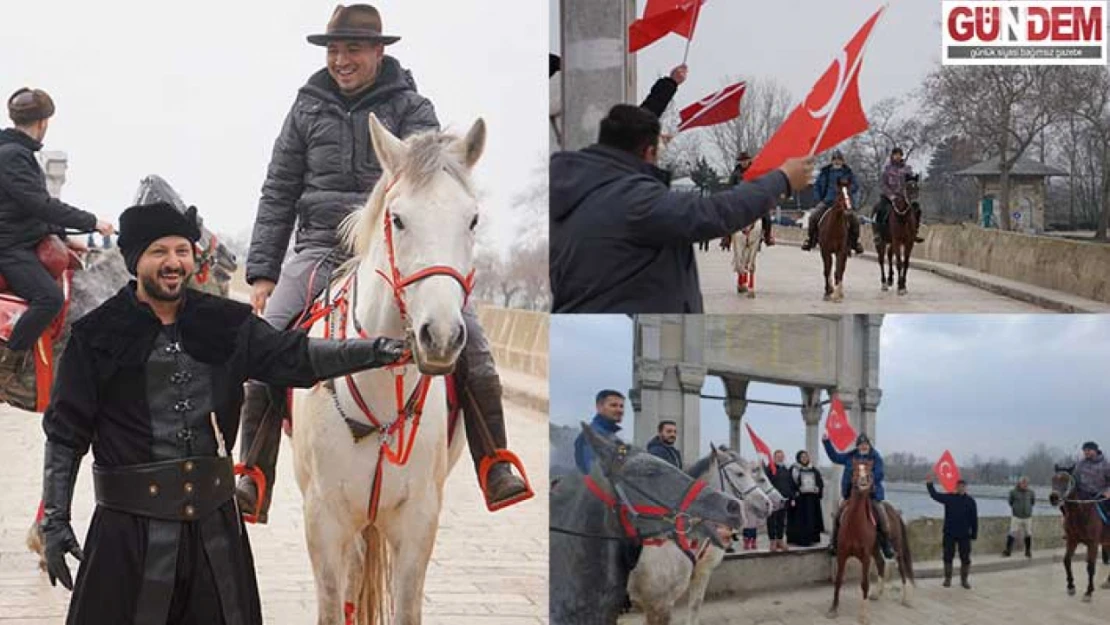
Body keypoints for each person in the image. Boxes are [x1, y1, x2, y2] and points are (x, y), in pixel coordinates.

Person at [39, 202, 408, 624]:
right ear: (135, 259)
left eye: (182, 250)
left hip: (213, 537)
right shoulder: (95, 336)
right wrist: (55, 519)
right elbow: (66, 435)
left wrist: (374, 351)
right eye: (159, 252)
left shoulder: (227, 323)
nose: (173, 262)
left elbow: (295, 356)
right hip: (128, 537)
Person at [240, 4, 527, 521]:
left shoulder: (413, 107)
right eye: (333, 50)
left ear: (379, 51)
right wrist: (262, 271)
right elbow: (279, 189)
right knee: (266, 347)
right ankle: (253, 473)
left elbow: (435, 187)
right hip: (322, 248)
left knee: (475, 349)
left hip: (395, 246)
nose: (340, 60)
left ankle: (495, 462)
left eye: (352, 49)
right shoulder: (304, 109)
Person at [549, 103, 813, 313]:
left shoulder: (578, 188)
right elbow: (712, 212)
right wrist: (782, 180)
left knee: (763, 221)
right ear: (649, 152)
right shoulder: (634, 198)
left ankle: (767, 233)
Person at [0, 88, 114, 355]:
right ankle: (10, 358)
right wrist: (93, 222)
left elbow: (31, 210)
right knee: (49, 298)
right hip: (10, 246)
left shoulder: (15, 152)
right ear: (43, 123)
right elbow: (41, 205)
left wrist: (64, 237)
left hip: (22, 237)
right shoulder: (13, 156)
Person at [822, 432, 895, 559]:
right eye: (861, 444)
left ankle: (886, 544)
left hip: (871, 494)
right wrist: (827, 442)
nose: (863, 446)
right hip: (852, 495)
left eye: (865, 444)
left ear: (869, 445)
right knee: (838, 514)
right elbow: (835, 457)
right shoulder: (850, 456)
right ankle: (834, 543)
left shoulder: (876, 457)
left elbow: (880, 474)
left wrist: (868, 480)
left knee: (881, 513)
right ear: (857, 446)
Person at [801, 149, 863, 254]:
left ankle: (855, 242)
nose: (837, 162)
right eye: (835, 160)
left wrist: (847, 189)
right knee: (813, 217)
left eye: (839, 160)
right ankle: (811, 239)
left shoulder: (848, 172)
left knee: (855, 220)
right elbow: (817, 186)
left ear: (843, 161)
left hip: (844, 201)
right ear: (832, 161)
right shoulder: (825, 172)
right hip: (828, 201)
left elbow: (855, 185)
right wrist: (819, 198)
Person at [926, 475, 978, 589]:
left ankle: (964, 581)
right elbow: (935, 495)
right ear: (956, 487)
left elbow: (974, 519)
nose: (961, 488)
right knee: (947, 556)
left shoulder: (971, 501)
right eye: (959, 486)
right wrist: (929, 484)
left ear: (966, 488)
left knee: (965, 558)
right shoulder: (950, 498)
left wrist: (974, 534)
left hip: (964, 534)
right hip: (949, 533)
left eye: (963, 487)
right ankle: (947, 579)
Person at [872, 147, 923, 244]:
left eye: (899, 155)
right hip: (889, 197)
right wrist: (891, 195)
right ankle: (878, 233)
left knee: (917, 209)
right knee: (879, 209)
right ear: (892, 156)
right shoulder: (887, 169)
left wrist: (910, 194)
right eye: (896, 155)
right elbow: (883, 184)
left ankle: (914, 231)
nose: (898, 157)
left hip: (904, 197)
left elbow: (911, 182)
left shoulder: (907, 169)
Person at [727, 151, 775, 247]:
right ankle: (726, 238)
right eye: (742, 161)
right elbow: (730, 187)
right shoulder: (735, 174)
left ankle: (767, 236)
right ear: (739, 162)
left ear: (749, 160)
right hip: (740, 201)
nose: (744, 162)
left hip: (754, 200)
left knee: (767, 217)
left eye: (745, 160)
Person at [574, 390, 626, 474]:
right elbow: (592, 473)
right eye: (613, 405)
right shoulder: (589, 437)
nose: (619, 410)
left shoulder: (617, 440)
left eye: (621, 406)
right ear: (599, 407)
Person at [787, 450, 825, 547]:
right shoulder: (794, 469)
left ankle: (811, 539)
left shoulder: (813, 469)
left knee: (811, 519)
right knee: (799, 521)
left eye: (806, 456)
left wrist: (818, 489)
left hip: (811, 500)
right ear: (798, 458)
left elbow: (820, 483)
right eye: (802, 457)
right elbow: (789, 483)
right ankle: (799, 540)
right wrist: (794, 494)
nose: (805, 458)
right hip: (799, 500)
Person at [767, 450, 795, 552]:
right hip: (772, 500)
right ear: (774, 457)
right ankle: (772, 541)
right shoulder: (770, 468)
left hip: (784, 500)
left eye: (782, 456)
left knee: (781, 521)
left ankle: (780, 541)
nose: (780, 458)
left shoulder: (786, 469)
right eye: (778, 456)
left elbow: (790, 484)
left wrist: (792, 497)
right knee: (771, 521)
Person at [1004, 477, 1035, 558]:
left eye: (1026, 483)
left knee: (1028, 533)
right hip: (1016, 516)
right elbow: (1010, 502)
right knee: (1012, 532)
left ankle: (1028, 551)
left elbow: (1032, 502)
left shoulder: (1031, 492)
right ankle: (1008, 550)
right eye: (1023, 483)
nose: (1025, 485)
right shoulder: (1013, 492)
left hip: (1027, 517)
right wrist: (1015, 509)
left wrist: (1028, 510)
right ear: (1019, 483)